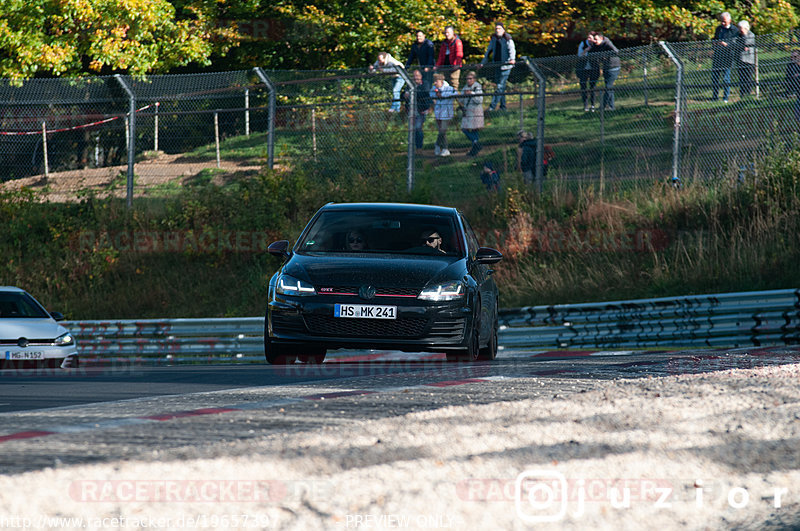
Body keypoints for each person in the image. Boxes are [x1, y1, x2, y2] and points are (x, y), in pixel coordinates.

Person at [480, 22, 516, 111]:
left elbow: (512, 49)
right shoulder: (494, 39)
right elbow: (489, 51)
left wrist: (512, 59)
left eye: (499, 29)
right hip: (497, 65)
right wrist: (483, 62)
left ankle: (492, 106)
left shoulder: (507, 38)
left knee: (500, 86)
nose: (497, 31)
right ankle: (503, 107)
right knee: (501, 87)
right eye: (496, 29)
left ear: (503, 29)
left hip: (506, 66)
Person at [587, 32, 621, 111]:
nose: (595, 41)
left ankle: (602, 107)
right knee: (609, 87)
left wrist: (606, 55)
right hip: (606, 68)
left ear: (601, 39)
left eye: (596, 39)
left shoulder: (607, 43)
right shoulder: (596, 46)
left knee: (608, 87)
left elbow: (616, 51)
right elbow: (590, 53)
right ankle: (611, 107)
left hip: (613, 67)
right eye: (594, 39)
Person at [712, 12, 738, 103]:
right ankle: (715, 97)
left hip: (727, 57)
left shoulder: (734, 30)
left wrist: (727, 44)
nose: (722, 23)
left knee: (726, 78)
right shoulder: (719, 29)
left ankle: (725, 97)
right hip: (717, 56)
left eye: (724, 22)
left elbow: (736, 44)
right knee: (715, 77)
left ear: (729, 20)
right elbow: (714, 38)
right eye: (721, 21)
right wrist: (715, 43)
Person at [403, 69, 432, 150]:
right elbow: (403, 94)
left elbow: (424, 93)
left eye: (417, 76)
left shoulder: (425, 84)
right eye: (414, 76)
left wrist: (412, 93)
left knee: (418, 128)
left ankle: (419, 147)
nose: (416, 78)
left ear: (421, 76)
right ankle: (412, 147)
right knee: (412, 129)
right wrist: (405, 95)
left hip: (421, 110)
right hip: (411, 110)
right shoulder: (409, 85)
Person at [430, 73, 456, 156]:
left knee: (443, 130)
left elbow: (455, 94)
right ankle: (439, 147)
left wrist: (442, 95)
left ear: (441, 81)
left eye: (436, 81)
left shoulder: (448, 88)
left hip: (446, 112)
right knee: (440, 130)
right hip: (438, 113)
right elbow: (431, 96)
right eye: (434, 81)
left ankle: (443, 148)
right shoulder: (433, 89)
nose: (435, 83)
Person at [459, 71, 484, 156]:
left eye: (470, 79)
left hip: (476, 110)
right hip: (468, 111)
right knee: (464, 128)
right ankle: (476, 143)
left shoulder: (477, 87)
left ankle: (474, 149)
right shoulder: (465, 87)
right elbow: (460, 100)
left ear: (474, 79)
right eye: (467, 79)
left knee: (474, 129)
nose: (468, 81)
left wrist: (472, 94)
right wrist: (463, 95)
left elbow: (479, 100)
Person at [435, 26, 464, 95]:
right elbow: (441, 56)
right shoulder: (444, 43)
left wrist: (456, 65)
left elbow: (459, 54)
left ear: (453, 33)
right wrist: (437, 65)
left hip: (454, 68)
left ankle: (459, 103)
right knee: (447, 86)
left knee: (454, 86)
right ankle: (449, 104)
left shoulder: (457, 42)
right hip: (446, 67)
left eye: (448, 32)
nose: (447, 34)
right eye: (446, 33)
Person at [576, 31, 600, 112]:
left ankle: (592, 105)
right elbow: (580, 55)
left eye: (591, 38)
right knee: (583, 87)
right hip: (583, 69)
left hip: (593, 69)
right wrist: (586, 51)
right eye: (588, 37)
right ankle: (585, 105)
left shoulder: (596, 44)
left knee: (592, 87)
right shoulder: (583, 44)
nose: (589, 39)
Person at [736, 20, 756, 97]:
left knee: (748, 77)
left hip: (749, 60)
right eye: (739, 28)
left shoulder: (751, 35)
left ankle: (748, 94)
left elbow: (746, 45)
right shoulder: (738, 35)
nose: (740, 30)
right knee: (741, 78)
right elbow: (735, 43)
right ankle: (742, 94)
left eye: (742, 28)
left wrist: (744, 35)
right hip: (740, 59)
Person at [786, 50, 800, 124]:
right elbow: (788, 78)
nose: (793, 59)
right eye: (791, 57)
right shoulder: (791, 66)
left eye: (795, 57)